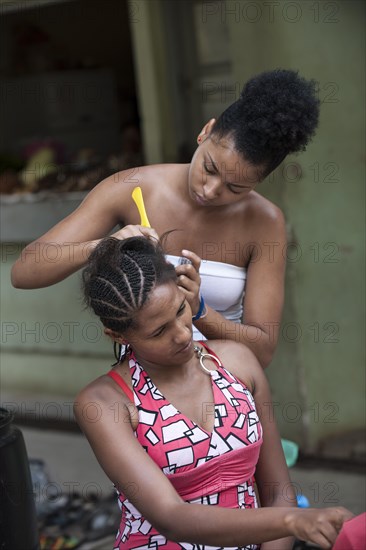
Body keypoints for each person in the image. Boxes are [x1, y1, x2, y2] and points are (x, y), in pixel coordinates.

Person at [11, 69, 320, 368]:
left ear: (259, 182)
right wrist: (107, 245)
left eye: (235, 187)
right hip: (146, 393)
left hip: (227, 395)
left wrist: (198, 309)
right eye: (209, 168)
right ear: (205, 132)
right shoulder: (131, 189)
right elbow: (25, 272)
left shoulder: (264, 222)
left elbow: (262, 351)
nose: (211, 190)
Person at [74, 235, 352, 550]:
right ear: (118, 335)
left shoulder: (238, 362)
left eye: (181, 310)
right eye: (159, 331)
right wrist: (291, 521)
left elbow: (277, 492)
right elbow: (172, 518)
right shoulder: (105, 402)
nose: (182, 334)